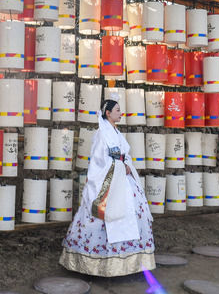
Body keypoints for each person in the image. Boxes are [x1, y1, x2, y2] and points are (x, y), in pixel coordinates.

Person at [59, 99, 155, 276]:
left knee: (132, 214)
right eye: (117, 110)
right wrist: (119, 166)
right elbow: (98, 161)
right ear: (108, 113)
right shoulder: (101, 134)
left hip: (123, 180)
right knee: (102, 216)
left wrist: (125, 163)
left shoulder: (117, 133)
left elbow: (125, 154)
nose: (121, 113)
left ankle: (129, 261)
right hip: (109, 181)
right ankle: (96, 262)